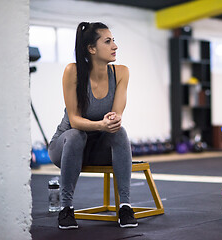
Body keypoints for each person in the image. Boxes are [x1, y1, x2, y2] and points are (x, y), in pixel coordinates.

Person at [48, 22, 138, 229]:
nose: (115, 46)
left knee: (120, 132)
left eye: (114, 41)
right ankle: (66, 209)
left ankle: (124, 207)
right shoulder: (73, 71)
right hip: (65, 148)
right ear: (91, 48)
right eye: (108, 41)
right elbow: (74, 120)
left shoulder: (121, 72)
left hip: (97, 150)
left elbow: (116, 115)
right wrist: (101, 125)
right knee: (75, 134)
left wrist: (113, 122)